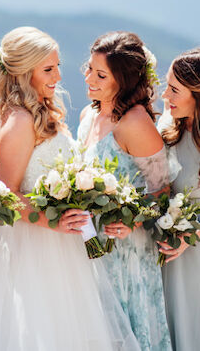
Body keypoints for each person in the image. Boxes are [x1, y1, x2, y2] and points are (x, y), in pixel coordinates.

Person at [0, 27, 139, 350]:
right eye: (48, 69)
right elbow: (7, 195)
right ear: (23, 73)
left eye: (58, 65)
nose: (59, 76)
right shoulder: (19, 121)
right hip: (33, 247)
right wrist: (54, 221)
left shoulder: (40, 112)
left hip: (62, 250)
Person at [77, 31, 176, 351]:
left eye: (101, 74)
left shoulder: (135, 122)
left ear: (124, 80)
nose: (89, 78)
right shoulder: (88, 115)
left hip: (126, 251)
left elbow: (163, 191)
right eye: (89, 68)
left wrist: (132, 220)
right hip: (87, 245)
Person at [158, 48, 200, 351]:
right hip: (171, 258)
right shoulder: (168, 131)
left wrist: (193, 233)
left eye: (174, 89)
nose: (164, 96)